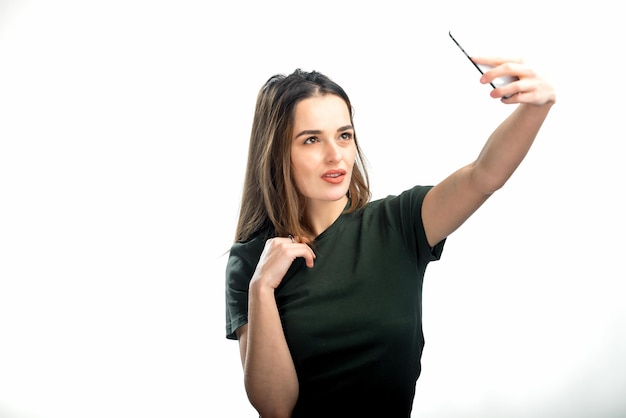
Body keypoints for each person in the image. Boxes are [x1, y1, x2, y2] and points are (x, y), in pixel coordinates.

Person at [225, 56, 556, 417]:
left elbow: (484, 175)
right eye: (311, 140)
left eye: (344, 135)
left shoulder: (400, 223)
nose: (335, 155)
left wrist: (535, 110)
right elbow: (275, 409)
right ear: (277, 152)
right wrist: (262, 289)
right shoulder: (251, 260)